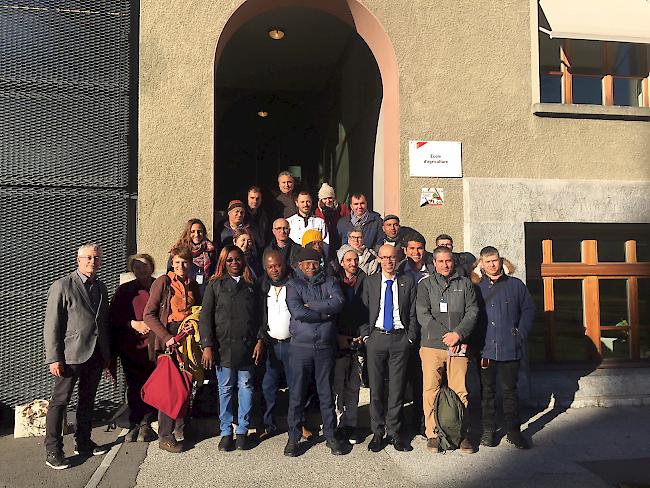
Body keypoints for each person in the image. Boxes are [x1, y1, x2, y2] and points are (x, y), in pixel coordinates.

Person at [43, 243, 111, 469]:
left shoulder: (101, 287)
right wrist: (54, 357)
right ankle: (53, 450)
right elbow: (52, 324)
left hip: (95, 354)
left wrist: (106, 355)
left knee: (87, 400)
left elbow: (102, 323)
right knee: (60, 402)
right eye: (89, 258)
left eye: (97, 258)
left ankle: (83, 442)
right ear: (79, 260)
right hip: (70, 355)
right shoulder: (62, 286)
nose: (93, 262)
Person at [199, 245, 264, 451]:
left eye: (237, 259)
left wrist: (260, 340)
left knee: (246, 387)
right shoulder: (215, 285)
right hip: (223, 347)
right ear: (223, 262)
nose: (234, 263)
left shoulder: (251, 286)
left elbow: (260, 317)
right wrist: (207, 345)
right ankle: (226, 431)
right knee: (225, 389)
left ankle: (243, 430)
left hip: (246, 347)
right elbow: (205, 318)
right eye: (229, 260)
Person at [284, 248, 346, 457]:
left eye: (315, 263)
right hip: (301, 347)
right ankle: (293, 438)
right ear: (300, 266)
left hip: (325, 347)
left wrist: (314, 306)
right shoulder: (293, 284)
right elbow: (298, 311)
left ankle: (331, 435)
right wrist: (324, 314)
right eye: (307, 263)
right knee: (297, 394)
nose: (311, 267)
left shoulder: (330, 281)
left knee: (326, 394)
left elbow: (338, 303)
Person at [416, 245, 479, 454]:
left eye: (448, 261)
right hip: (432, 345)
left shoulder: (465, 284)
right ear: (434, 263)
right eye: (440, 261)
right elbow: (423, 315)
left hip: (459, 345)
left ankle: (462, 434)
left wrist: (458, 334)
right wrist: (446, 335)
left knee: (460, 390)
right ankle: (433, 434)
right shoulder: (425, 285)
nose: (445, 265)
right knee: (430, 390)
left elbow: (472, 311)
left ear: (453, 262)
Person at [472, 246, 535, 450]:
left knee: (510, 392)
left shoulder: (515, 285)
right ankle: (489, 431)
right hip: (486, 349)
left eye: (495, 260)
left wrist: (520, 334)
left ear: (501, 261)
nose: (492, 264)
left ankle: (514, 432)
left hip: (510, 347)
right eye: (488, 261)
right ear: (482, 263)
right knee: (487, 393)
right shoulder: (476, 287)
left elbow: (528, 309)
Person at [361, 245, 418, 453]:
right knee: (376, 388)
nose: (388, 261)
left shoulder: (407, 281)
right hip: (376, 338)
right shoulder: (371, 281)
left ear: (398, 258)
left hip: (399, 339)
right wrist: (367, 336)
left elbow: (412, 312)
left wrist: (410, 338)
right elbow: (363, 310)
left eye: (392, 257)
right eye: (384, 257)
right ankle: (377, 432)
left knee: (397, 389)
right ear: (378, 259)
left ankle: (394, 431)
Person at [144, 246, 200, 454]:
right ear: (171, 263)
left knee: (186, 384)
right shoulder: (163, 283)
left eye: (184, 262)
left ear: (191, 264)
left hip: (188, 339)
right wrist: (166, 337)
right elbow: (148, 315)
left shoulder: (193, 284)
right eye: (177, 262)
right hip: (168, 338)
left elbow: (198, 309)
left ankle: (181, 428)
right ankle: (165, 436)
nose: (181, 266)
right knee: (170, 389)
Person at [109, 253, 157, 443]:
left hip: (156, 345)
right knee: (135, 385)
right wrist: (133, 324)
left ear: (151, 267)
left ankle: (149, 422)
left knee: (154, 384)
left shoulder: (160, 285)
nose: (141, 269)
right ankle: (137, 422)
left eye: (145, 265)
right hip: (133, 347)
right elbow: (114, 318)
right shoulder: (125, 290)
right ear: (132, 270)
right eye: (136, 266)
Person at [333, 245, 367, 445]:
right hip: (338, 341)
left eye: (355, 260)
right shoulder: (334, 281)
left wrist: (362, 335)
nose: (353, 263)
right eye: (349, 260)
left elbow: (368, 310)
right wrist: (337, 336)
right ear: (342, 262)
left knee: (354, 386)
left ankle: (351, 425)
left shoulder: (365, 280)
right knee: (338, 386)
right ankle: (339, 425)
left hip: (358, 340)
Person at [168, 218, 216, 297]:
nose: (196, 235)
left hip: (206, 291)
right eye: (192, 232)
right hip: (184, 291)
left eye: (199, 231)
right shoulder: (178, 250)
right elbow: (170, 272)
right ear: (187, 233)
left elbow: (215, 272)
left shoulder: (211, 250)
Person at [287, 191, 329, 256]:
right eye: (302, 202)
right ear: (297, 203)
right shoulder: (289, 222)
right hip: (295, 258)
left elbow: (326, 243)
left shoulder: (320, 222)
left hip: (315, 258)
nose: (305, 205)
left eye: (308, 201)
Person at [314, 183, 349, 252]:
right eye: (325, 198)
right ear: (321, 200)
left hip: (340, 240)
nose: (328, 201)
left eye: (330, 198)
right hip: (326, 242)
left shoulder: (342, 208)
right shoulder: (318, 211)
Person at [245, 186, 270, 250]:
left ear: (261, 199)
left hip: (262, 249)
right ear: (247, 198)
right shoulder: (242, 215)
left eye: (257, 198)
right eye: (252, 198)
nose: (255, 201)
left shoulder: (265, 215)